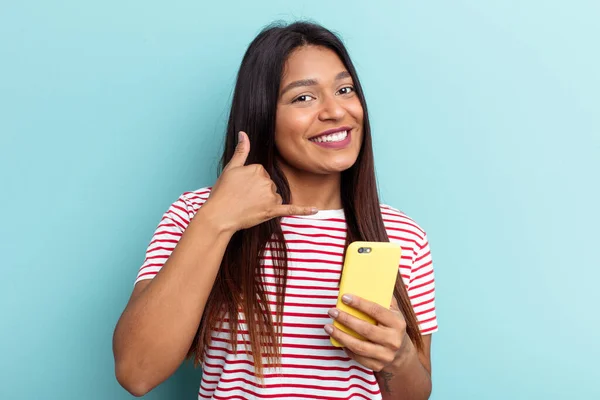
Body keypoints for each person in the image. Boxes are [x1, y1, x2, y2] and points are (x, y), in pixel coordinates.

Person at [112, 21, 438, 400]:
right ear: (263, 114)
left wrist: (398, 359)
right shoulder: (196, 214)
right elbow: (136, 371)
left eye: (345, 89)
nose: (335, 111)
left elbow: (416, 393)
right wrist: (217, 219)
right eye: (304, 97)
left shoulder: (403, 235)